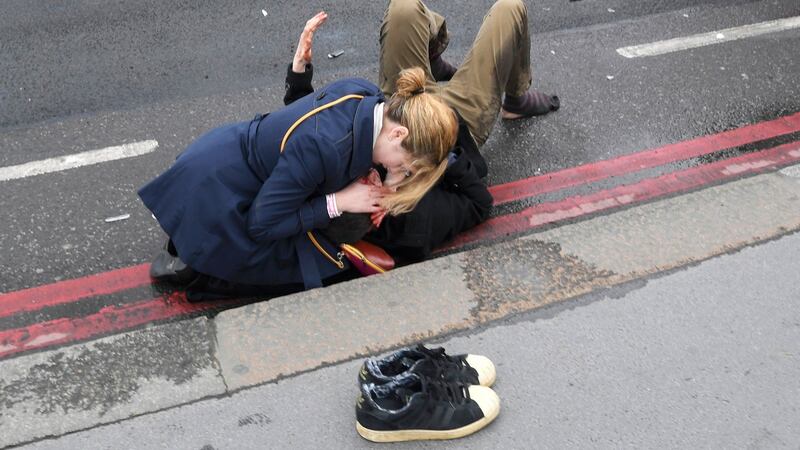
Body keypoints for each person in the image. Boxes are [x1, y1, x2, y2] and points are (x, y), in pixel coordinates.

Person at [139, 11, 459, 299]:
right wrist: (340, 202)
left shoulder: (366, 95)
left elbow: (303, 128)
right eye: (403, 167)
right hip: (220, 199)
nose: (397, 173)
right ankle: (200, 267)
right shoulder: (323, 148)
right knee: (321, 268)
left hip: (223, 160)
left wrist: (299, 75)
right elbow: (262, 225)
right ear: (398, 133)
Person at [284, 0, 559, 264]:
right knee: (510, 9)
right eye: (372, 185)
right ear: (377, 215)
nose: (368, 175)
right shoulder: (415, 225)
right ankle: (515, 98)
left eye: (359, 182)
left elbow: (308, 134)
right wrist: (441, 156)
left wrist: (299, 73)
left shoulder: (337, 181)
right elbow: (480, 204)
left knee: (404, 8)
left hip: (403, 102)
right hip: (455, 120)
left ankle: (431, 61)